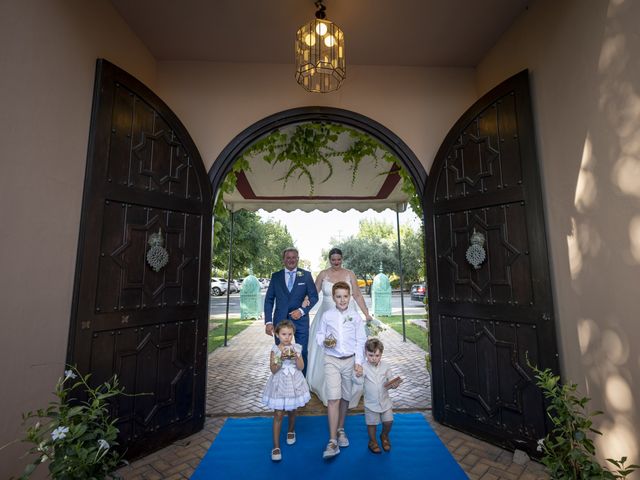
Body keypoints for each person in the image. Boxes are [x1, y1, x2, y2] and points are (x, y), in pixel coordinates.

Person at [307, 247, 372, 406]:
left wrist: (367, 314)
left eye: (338, 259)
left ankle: (350, 388)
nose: (336, 262)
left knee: (350, 347)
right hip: (326, 316)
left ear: (342, 259)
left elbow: (356, 295)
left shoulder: (350, 274)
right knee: (326, 349)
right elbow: (313, 294)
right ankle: (327, 387)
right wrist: (303, 308)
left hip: (347, 315)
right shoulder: (323, 274)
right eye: (333, 260)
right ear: (329, 259)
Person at [315, 281, 367, 459]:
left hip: (350, 361)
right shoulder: (327, 315)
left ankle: (341, 429)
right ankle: (332, 441)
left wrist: (359, 362)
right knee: (333, 399)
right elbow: (320, 335)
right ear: (333, 297)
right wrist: (325, 341)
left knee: (345, 397)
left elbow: (361, 340)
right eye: (339, 296)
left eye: (345, 296)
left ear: (350, 297)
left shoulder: (355, 316)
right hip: (331, 360)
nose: (342, 300)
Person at [262, 320, 311, 461]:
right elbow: (273, 370)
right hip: (280, 383)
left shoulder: (297, 348)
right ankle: (276, 446)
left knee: (293, 409)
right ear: (277, 334)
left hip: (294, 382)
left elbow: (301, 367)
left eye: (290, 334)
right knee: (278, 413)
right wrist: (280, 359)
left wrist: (296, 357)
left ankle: (291, 430)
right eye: (284, 334)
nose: (287, 337)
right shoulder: (275, 350)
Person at [264, 247, 318, 375]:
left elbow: (314, 297)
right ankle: (280, 380)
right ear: (283, 260)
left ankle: (302, 383)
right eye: (288, 258)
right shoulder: (276, 277)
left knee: (302, 352)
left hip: (301, 321)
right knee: (279, 352)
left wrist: (302, 310)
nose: (291, 260)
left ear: (298, 259)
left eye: (294, 257)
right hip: (280, 321)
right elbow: (269, 300)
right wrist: (268, 322)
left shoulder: (306, 275)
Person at [352, 338, 402, 454]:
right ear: (365, 353)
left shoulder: (386, 366)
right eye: (370, 355)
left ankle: (384, 435)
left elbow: (390, 381)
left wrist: (394, 385)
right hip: (371, 403)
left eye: (377, 355)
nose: (374, 358)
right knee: (371, 424)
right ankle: (373, 441)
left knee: (388, 421)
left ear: (381, 354)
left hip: (385, 401)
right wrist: (358, 375)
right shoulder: (363, 367)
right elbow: (357, 382)